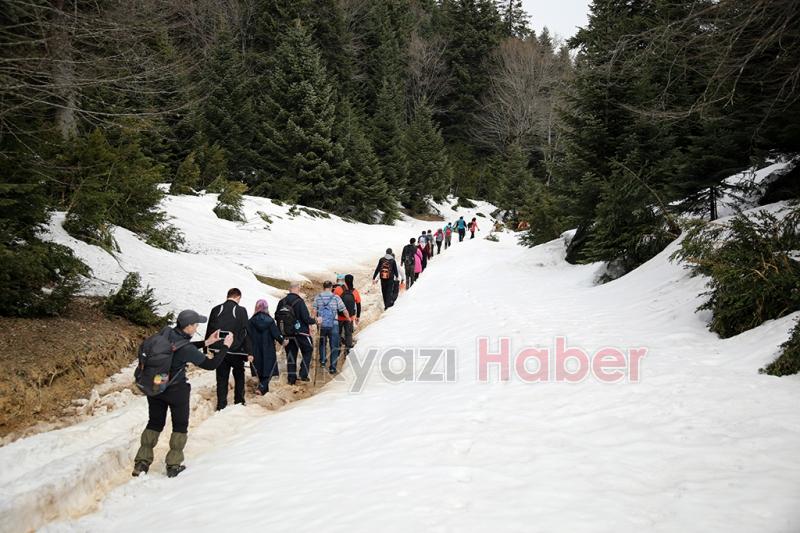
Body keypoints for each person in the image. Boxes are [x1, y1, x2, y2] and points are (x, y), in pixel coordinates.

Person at [132, 310, 232, 478]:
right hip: (176, 391)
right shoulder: (186, 348)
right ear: (188, 326)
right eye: (196, 325)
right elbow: (211, 364)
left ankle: (141, 462)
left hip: (156, 387)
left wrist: (206, 342)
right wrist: (225, 346)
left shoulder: (166, 333)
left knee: (155, 422)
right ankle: (173, 464)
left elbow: (179, 348)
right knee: (180, 425)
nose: (197, 327)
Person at [206, 288, 253, 411]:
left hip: (219, 349)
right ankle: (239, 401)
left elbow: (210, 328)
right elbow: (245, 332)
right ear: (238, 297)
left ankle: (221, 405)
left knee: (221, 377)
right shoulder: (241, 310)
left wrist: (207, 347)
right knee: (239, 375)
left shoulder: (216, 309)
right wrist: (249, 351)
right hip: (236, 350)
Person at [276, 283, 316, 384]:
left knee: (291, 355)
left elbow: (277, 316)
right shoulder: (299, 301)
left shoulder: (281, 302)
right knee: (308, 350)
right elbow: (306, 318)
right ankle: (303, 374)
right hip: (300, 333)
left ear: (289, 289)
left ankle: (291, 379)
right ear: (297, 289)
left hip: (287, 333)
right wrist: (315, 320)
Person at [247, 299, 287, 395]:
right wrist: (282, 341)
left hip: (255, 349)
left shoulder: (250, 321)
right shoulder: (270, 321)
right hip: (268, 349)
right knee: (268, 371)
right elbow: (276, 334)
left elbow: (247, 336)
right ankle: (261, 389)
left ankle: (263, 390)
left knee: (259, 370)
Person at [312, 281, 349, 374]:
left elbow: (313, 311)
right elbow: (344, 310)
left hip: (321, 324)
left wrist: (315, 319)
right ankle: (332, 367)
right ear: (331, 287)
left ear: (323, 287)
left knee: (322, 343)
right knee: (334, 346)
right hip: (334, 324)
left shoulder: (318, 297)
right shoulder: (336, 297)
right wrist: (348, 318)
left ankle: (323, 361)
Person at [334, 274, 361, 356]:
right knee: (348, 333)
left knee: (338, 333)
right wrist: (358, 317)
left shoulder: (338, 289)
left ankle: (337, 348)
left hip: (339, 316)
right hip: (350, 317)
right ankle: (348, 350)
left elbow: (333, 302)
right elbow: (358, 305)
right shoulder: (355, 292)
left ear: (344, 281)